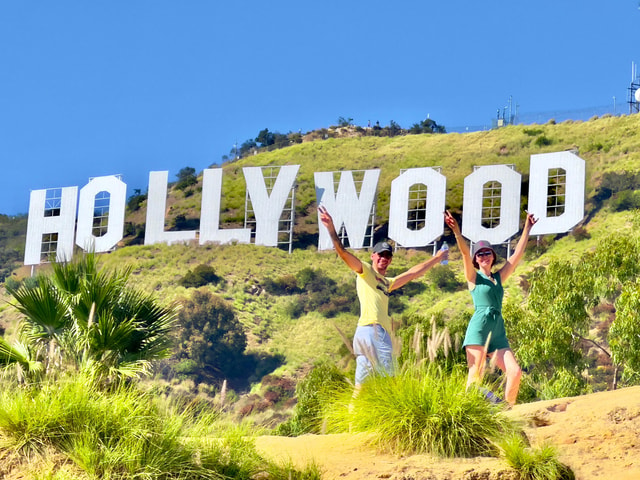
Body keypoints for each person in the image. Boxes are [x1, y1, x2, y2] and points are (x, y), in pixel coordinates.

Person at [318, 205, 448, 387]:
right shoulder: (365, 271)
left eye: (388, 256)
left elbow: (413, 273)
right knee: (392, 381)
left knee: (361, 387)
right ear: (373, 256)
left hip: (368, 333)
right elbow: (343, 253)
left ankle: (353, 414)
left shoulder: (387, 282)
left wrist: (437, 258)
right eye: (381, 255)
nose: (384, 258)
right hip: (373, 331)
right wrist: (331, 229)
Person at [444, 210, 537, 406]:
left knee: (515, 371)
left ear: (493, 256)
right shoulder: (474, 278)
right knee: (475, 375)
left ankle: (507, 410)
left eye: (487, 253)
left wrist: (527, 228)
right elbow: (463, 252)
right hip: (479, 326)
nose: (484, 256)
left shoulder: (499, 278)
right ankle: (470, 411)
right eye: (479, 254)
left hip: (497, 330)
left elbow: (517, 255)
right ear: (476, 259)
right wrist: (456, 232)